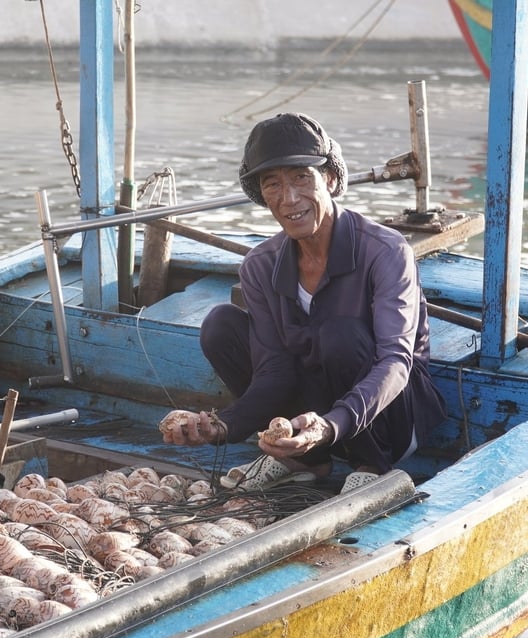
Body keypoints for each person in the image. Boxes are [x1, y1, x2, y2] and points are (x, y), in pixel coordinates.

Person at [159, 112, 446, 493]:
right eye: (272, 184)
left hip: (394, 417)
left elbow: (396, 361)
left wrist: (330, 426)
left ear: (328, 179)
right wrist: (223, 425)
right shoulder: (260, 265)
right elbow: (274, 369)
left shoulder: (384, 250)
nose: (289, 198)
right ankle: (302, 458)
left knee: (336, 331)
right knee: (221, 326)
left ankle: (369, 462)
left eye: (301, 177)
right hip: (318, 405)